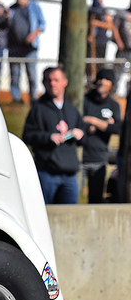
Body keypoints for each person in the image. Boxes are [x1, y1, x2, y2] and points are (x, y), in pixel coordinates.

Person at [22, 66, 84, 205]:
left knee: (69, 216)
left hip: (70, 175)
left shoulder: (72, 109)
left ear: (65, 82)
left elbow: (83, 136)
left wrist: (79, 135)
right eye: (49, 80)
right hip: (47, 173)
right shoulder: (38, 108)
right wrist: (48, 137)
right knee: (45, 214)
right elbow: (27, 136)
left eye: (56, 80)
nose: (52, 83)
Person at [81, 68, 121, 203]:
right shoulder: (84, 100)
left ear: (111, 84)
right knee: (73, 200)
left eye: (107, 80)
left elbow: (116, 128)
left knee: (96, 199)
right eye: (100, 79)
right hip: (81, 158)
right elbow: (79, 123)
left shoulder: (113, 105)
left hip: (99, 159)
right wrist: (104, 125)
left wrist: (92, 120)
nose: (102, 82)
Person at [8, 0, 46, 102]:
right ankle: (16, 99)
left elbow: (42, 24)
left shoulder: (34, 7)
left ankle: (33, 99)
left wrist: (33, 35)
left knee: (32, 75)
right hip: (15, 47)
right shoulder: (12, 8)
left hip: (30, 48)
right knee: (15, 75)